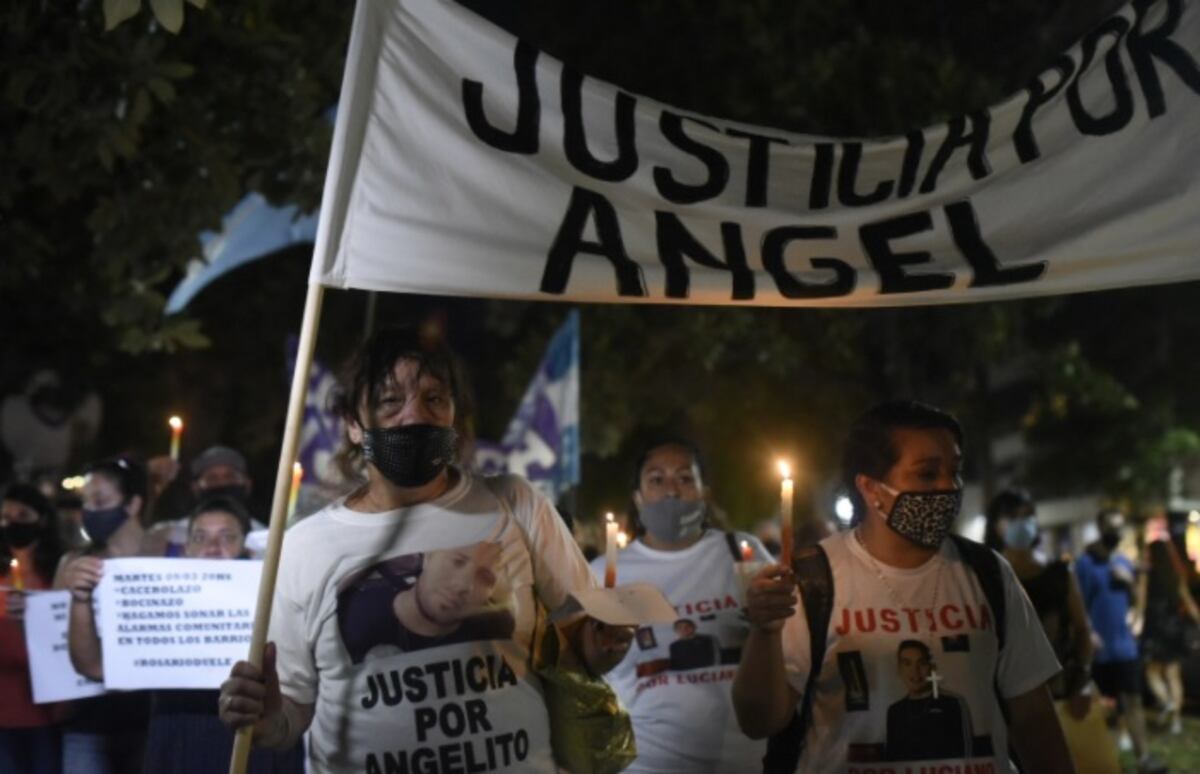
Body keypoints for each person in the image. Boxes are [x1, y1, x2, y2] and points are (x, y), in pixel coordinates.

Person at [217, 326, 632, 773]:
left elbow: (583, 645)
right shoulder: (303, 547)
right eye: (390, 401)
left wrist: (608, 639)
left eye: (435, 399)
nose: (415, 416)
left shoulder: (516, 504)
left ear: (454, 416)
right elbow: (289, 716)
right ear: (354, 425)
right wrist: (262, 720)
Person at [733, 400, 1072, 773]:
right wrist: (765, 632)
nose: (948, 487)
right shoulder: (811, 579)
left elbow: (1033, 717)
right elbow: (759, 720)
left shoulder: (987, 573)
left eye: (954, 472)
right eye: (927, 474)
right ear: (871, 488)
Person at [589, 436, 770, 772]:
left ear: (704, 492)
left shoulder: (742, 553)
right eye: (657, 480)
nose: (671, 491)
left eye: (684, 479)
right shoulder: (603, 575)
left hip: (742, 761)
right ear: (638, 497)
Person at [141, 497, 304, 773]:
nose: (212, 548)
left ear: (247, 549)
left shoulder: (279, 600)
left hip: (251, 737)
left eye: (227, 537)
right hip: (177, 735)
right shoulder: (155, 601)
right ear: (186, 549)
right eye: (200, 537)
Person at [54, 456, 165, 774]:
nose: (89, 511)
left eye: (100, 501)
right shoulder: (71, 564)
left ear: (132, 505)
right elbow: (52, 641)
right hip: (88, 722)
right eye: (85, 502)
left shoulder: (166, 558)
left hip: (151, 720)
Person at [986, 489, 1095, 715]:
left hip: (1057, 689)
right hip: (1005, 697)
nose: (1021, 523)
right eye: (1012, 517)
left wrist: (1082, 678)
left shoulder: (1060, 573)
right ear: (995, 524)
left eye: (1027, 516)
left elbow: (1082, 629)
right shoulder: (987, 576)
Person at [1076, 508, 1166, 773]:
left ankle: (1143, 759)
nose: (1115, 532)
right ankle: (1105, 761)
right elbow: (1077, 603)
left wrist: (1129, 585)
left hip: (1125, 647)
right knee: (1101, 710)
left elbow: (1136, 602)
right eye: (1110, 527)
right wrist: (1088, 632)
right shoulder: (1086, 563)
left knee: (1134, 701)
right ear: (1101, 528)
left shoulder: (1124, 562)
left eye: (1119, 527)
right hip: (1099, 648)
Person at [336, 541, 516, 662]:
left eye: (484, 578)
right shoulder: (352, 614)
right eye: (457, 562)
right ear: (429, 557)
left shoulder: (492, 634)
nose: (463, 585)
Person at [0, 483, 66, 774]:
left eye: (22, 515)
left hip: (47, 713)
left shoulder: (60, 571)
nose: (11, 523)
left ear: (42, 520)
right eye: (4, 516)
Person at [1137, 538, 1199, 735]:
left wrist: (1136, 620)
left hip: (1155, 628)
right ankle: (1176, 722)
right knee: (1173, 674)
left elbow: (1141, 601)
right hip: (1174, 628)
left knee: (1152, 672)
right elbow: (1188, 602)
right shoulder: (1175, 575)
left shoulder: (1147, 574)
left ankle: (1166, 701)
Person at [884, 640, 974, 761]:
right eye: (907, 663)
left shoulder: (952, 703)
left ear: (931, 668)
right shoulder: (894, 711)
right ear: (899, 669)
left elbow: (967, 755)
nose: (915, 671)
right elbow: (892, 758)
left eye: (921, 663)